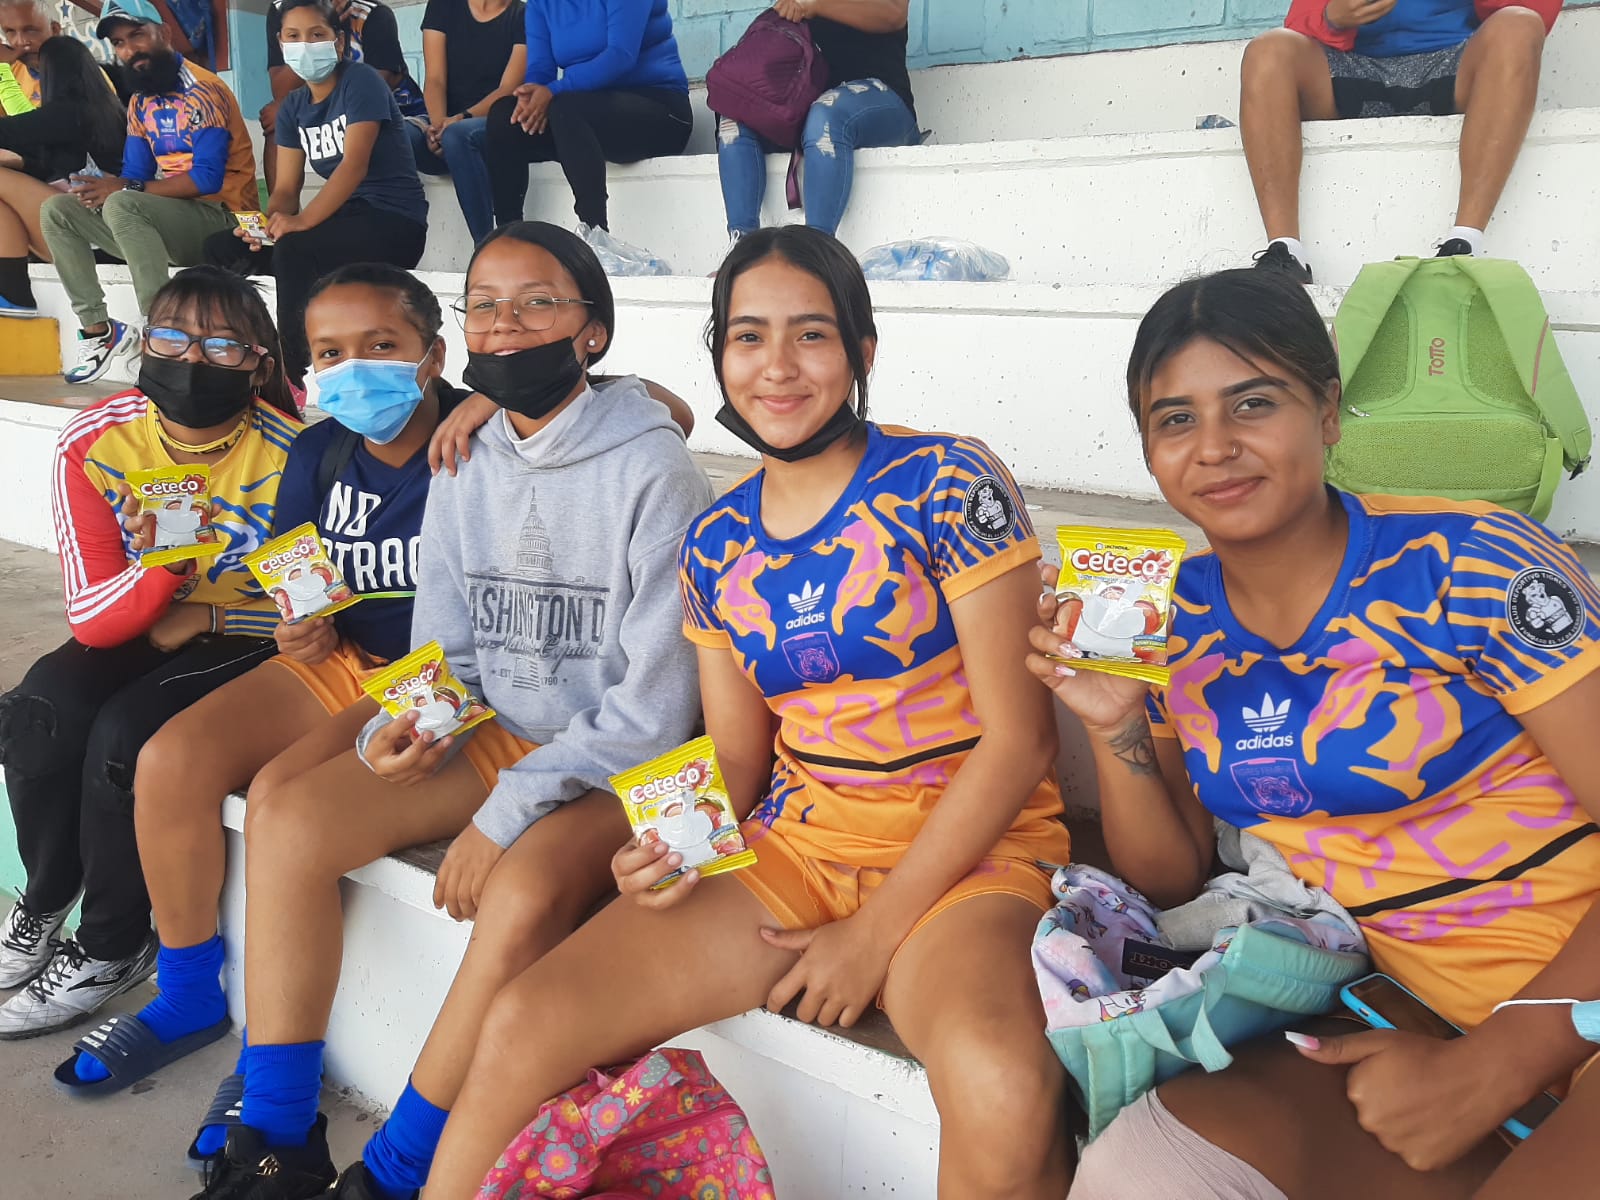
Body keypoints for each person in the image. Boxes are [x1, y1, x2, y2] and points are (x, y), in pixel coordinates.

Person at [421, 226, 1076, 1200]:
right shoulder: (716, 541)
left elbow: (1021, 740)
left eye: (810, 334)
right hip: (799, 846)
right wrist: (661, 845)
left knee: (1001, 1083)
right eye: (747, 336)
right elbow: (735, 762)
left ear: (861, 351)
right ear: (719, 355)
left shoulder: (948, 481)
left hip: (971, 855)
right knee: (526, 1020)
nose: (776, 366)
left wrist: (873, 934)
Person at [1025, 268, 1600, 1199]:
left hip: (1571, 1005)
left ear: (1328, 412)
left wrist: (1502, 1060)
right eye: (1176, 419)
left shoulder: (1470, 562)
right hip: (1406, 1013)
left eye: (1253, 403)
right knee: (1143, 1171)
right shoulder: (1171, 621)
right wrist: (1117, 721)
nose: (1216, 447)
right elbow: (1169, 877)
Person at [189, 222, 713, 1200]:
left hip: (612, 758)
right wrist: (409, 726)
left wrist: (503, 813)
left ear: (593, 332)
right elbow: (447, 653)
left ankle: (397, 1170)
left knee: (517, 895)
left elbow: (650, 713)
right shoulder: (464, 459)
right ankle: (277, 1133)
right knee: (290, 817)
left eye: (537, 303)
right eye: (485, 306)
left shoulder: (656, 472)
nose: (506, 324)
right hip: (500, 729)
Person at [0, 265, 300, 1041]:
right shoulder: (97, 442)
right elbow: (94, 617)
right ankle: (45, 900)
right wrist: (165, 568)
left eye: (221, 345)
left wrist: (202, 612)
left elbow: (309, 604)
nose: (191, 359)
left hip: (250, 634)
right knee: (41, 708)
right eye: (171, 337)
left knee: (125, 734)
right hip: (143, 614)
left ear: (258, 364)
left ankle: (111, 945)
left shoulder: (294, 454)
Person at [1242, 0, 1560, 283]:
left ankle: (1463, 243)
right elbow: (1299, 23)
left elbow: (1537, 11)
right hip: (1349, 68)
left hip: (1455, 63)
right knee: (1268, 50)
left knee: (1520, 25)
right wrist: (1330, 17)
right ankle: (1285, 252)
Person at [204, 0, 428, 389]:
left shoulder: (361, 81)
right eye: (293, 36)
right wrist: (267, 227)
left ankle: (289, 372)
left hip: (394, 223)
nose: (305, 45)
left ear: (338, 42)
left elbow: (354, 166)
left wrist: (301, 222)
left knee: (295, 249)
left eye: (317, 34)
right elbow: (286, 190)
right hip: (343, 224)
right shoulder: (293, 107)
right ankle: (239, 351)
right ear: (281, 43)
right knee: (221, 249)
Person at [37, 0, 256, 385]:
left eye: (137, 35)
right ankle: (98, 330)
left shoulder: (204, 89)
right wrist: (99, 190)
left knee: (124, 201)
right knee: (57, 210)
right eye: (119, 43)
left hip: (225, 220)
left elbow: (207, 179)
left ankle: (160, 335)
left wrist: (125, 188)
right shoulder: (141, 101)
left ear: (164, 33)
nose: (129, 50)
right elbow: (135, 174)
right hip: (167, 223)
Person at [486, 0, 692, 241]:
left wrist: (552, 91)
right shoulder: (541, 3)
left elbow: (621, 56)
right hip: (584, 112)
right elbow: (541, 67)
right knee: (504, 116)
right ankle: (508, 237)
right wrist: (531, 99)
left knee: (566, 107)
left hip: (660, 110)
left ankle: (596, 236)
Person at [717, 0, 918, 244]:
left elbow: (894, 14)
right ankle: (741, 249)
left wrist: (814, 5)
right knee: (736, 115)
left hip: (883, 103)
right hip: (808, 104)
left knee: (826, 115)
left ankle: (816, 252)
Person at [0, 34, 125, 314]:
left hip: (88, 237)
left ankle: (13, 291)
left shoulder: (70, 111)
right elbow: (56, 168)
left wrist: (1, 68)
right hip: (98, 232)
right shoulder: (104, 109)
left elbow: (6, 132)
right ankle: (9, 287)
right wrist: (21, 163)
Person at [261, 0, 427, 193]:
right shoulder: (282, 10)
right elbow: (281, 90)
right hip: (327, 109)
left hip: (391, 112)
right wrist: (307, 34)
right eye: (292, 35)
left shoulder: (372, 14)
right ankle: (283, 208)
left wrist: (327, 26)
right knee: (277, 119)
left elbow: (373, 91)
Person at [411, 0, 526, 245]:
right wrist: (438, 126)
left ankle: (484, 245)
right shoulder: (443, 6)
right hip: (444, 124)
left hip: (490, 125)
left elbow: (507, 89)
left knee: (458, 136)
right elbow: (435, 79)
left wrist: (460, 119)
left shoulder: (524, 16)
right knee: (399, 135)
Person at [0, 0, 60, 111]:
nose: (21, 41)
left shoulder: (77, 71)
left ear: (54, 30)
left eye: (30, 30)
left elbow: (42, 123)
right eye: (10, 31)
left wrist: (2, 71)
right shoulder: (12, 70)